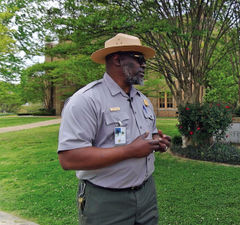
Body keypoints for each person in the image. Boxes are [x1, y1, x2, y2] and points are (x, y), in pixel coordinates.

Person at [57, 33, 171, 225]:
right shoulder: (86, 100)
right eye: (138, 58)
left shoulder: (143, 100)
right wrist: (129, 151)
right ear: (117, 59)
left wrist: (158, 141)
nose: (144, 65)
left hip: (146, 194)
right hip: (106, 201)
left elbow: (149, 135)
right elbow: (68, 158)